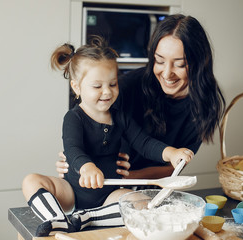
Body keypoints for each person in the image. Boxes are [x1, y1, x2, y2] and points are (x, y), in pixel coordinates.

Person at [22, 36, 194, 237]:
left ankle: (86, 218)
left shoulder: (120, 116)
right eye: (97, 86)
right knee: (31, 181)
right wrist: (87, 167)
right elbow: (73, 149)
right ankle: (57, 219)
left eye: (113, 84)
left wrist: (171, 153)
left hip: (108, 196)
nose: (107, 92)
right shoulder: (74, 118)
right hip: (71, 190)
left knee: (142, 204)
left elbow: (144, 143)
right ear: (76, 87)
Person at [57, 14, 226, 181]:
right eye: (159, 61)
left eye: (180, 64)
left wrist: (129, 178)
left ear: (199, 62)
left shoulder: (206, 102)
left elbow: (174, 166)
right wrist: (77, 160)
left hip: (141, 184)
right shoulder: (125, 87)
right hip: (106, 183)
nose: (167, 74)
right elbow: (85, 121)